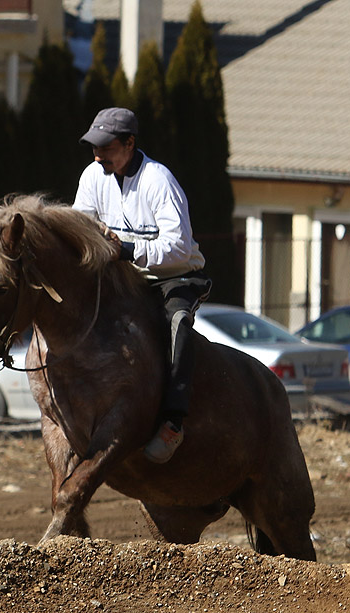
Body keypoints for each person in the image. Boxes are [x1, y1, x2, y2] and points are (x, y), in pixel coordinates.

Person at [73, 107, 212, 464]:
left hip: (174, 277)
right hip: (125, 276)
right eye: (94, 147)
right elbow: (80, 228)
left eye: (104, 147)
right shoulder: (92, 176)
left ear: (130, 143)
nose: (97, 154)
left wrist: (129, 249)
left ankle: (173, 422)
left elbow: (179, 247)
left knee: (178, 321)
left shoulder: (158, 180)